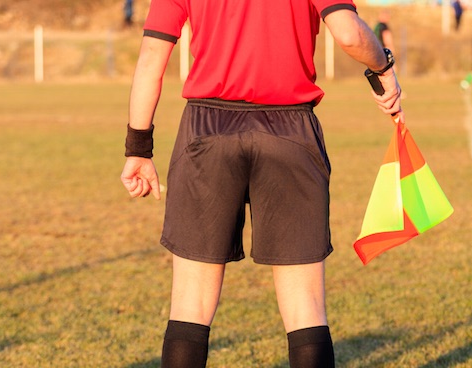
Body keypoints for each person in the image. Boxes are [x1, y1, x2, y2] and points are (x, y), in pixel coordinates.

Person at [119, 0, 402, 367]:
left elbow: (150, 60)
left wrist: (138, 149)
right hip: (290, 129)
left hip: (208, 128)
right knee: (306, 308)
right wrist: (384, 66)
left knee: (190, 305)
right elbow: (349, 33)